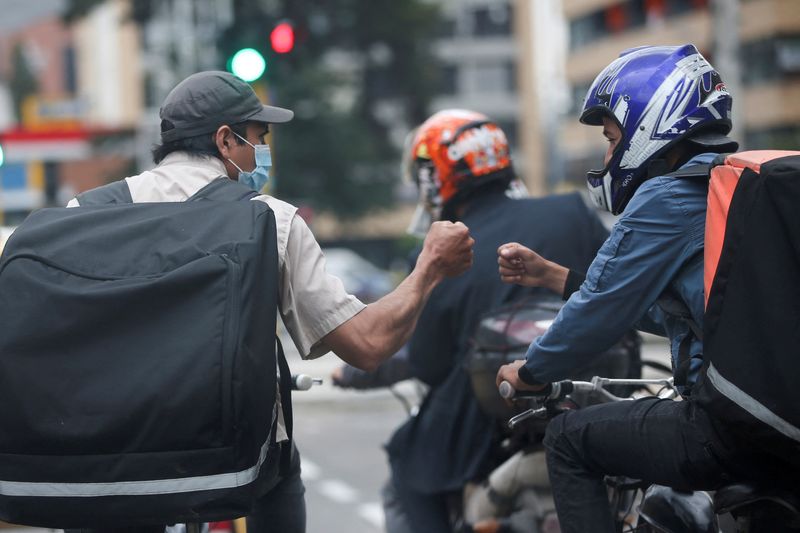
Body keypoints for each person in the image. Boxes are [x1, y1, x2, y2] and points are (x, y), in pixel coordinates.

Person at [66, 71, 474, 533]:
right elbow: (367, 344)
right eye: (258, 139)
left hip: (107, 462)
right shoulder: (268, 221)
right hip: (233, 461)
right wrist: (430, 268)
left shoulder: (85, 214)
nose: (263, 154)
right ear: (225, 140)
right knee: (280, 469)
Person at [495, 44, 791, 533]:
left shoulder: (667, 197)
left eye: (612, 138)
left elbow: (598, 311)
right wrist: (556, 276)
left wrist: (530, 370)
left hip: (730, 430)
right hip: (783, 426)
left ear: (651, 126)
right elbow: (689, 311)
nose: (608, 155)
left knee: (568, 441)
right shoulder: (729, 192)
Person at [344, 109, 616, 533]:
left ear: (434, 177)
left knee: (406, 474)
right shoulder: (571, 211)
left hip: (482, 428)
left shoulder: (451, 248)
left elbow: (430, 364)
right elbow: (617, 292)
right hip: (591, 403)